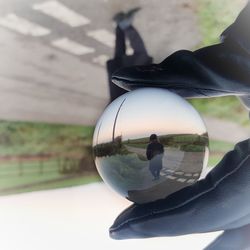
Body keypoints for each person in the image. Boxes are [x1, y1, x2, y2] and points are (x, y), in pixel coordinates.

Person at [109, 2, 250, 249]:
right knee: (128, 62)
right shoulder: (138, 129)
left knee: (131, 62)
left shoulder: (142, 133)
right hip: (135, 97)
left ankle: (124, 27)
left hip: (136, 98)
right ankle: (123, 27)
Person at [106, 8, 153, 102]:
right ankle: (119, 23)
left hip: (132, 80)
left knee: (141, 54)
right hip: (118, 80)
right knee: (120, 53)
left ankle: (124, 25)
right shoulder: (114, 112)